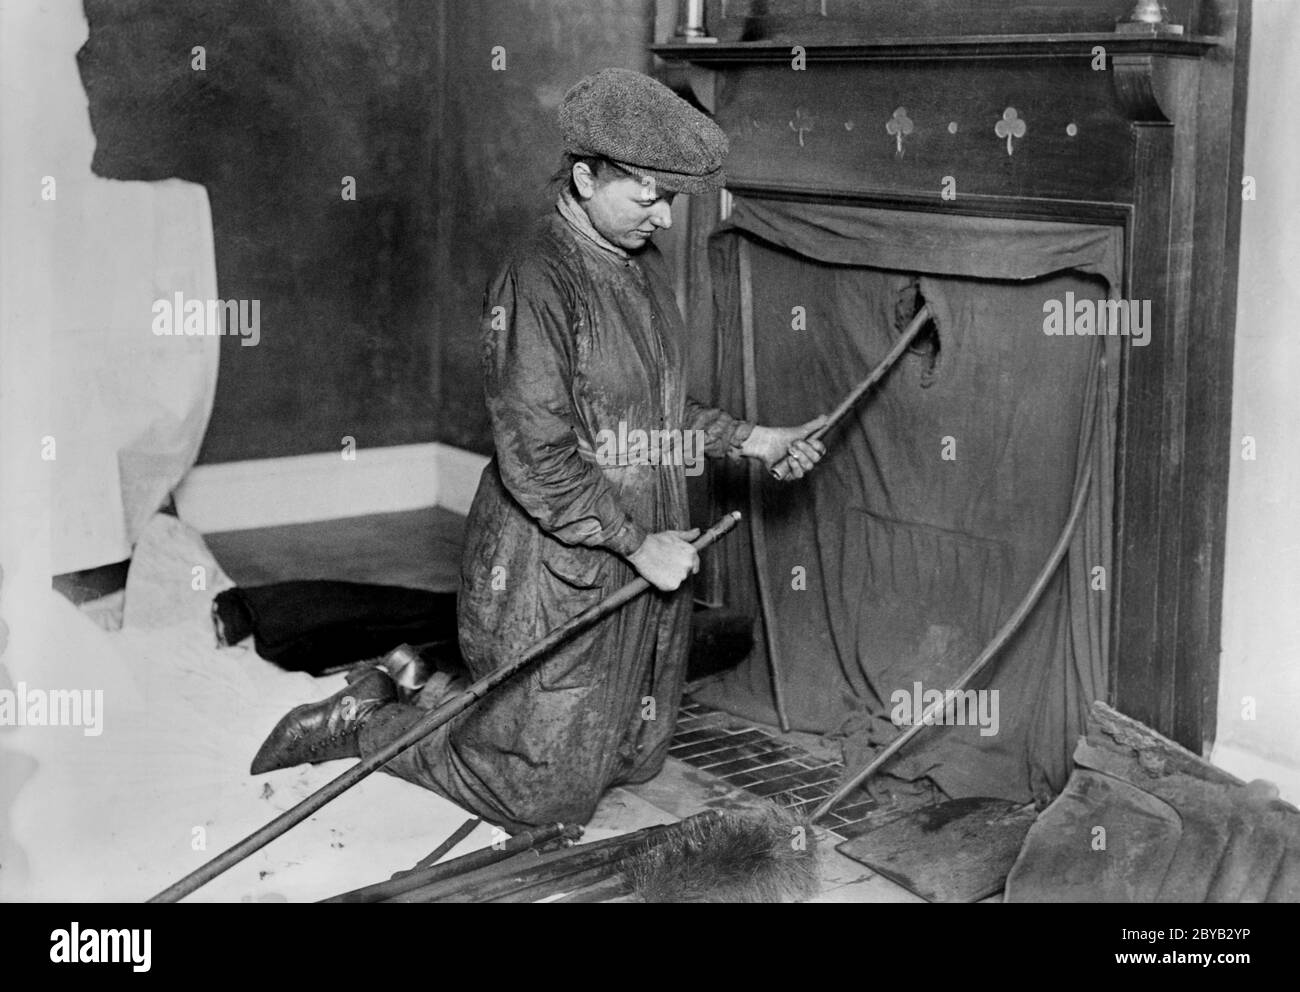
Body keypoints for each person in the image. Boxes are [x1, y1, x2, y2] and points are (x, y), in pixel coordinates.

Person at [251, 68, 824, 830]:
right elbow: (538, 456)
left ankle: (421, 682)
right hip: (555, 557)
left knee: (634, 756)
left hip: (643, 543)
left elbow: (655, 409)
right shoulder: (536, 278)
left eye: (672, 200)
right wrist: (636, 543)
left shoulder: (642, 272)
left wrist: (755, 441)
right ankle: (367, 722)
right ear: (585, 177)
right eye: (645, 193)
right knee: (535, 796)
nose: (661, 216)